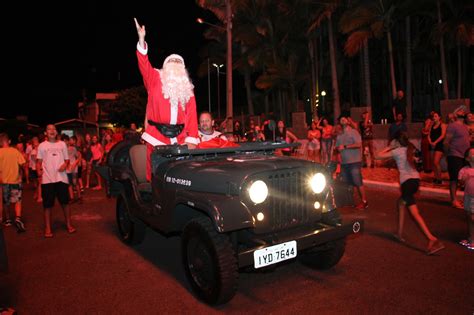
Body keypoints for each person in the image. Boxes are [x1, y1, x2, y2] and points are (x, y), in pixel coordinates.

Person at [134, 18, 199, 181]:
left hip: (181, 137)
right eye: (172, 61)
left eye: (179, 62)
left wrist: (192, 139)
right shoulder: (155, 77)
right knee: (156, 173)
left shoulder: (187, 88)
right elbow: (144, 64)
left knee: (180, 175)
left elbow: (192, 115)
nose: (175, 63)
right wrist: (142, 40)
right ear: (165, 66)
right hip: (157, 135)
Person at [375, 131, 445, 255]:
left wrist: (390, 146)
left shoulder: (397, 151)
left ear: (397, 141)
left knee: (415, 213)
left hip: (407, 184)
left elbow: (377, 156)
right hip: (415, 181)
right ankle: (399, 233)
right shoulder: (410, 148)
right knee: (401, 203)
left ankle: (431, 238)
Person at [36, 125, 76, 238]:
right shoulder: (42, 146)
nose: (52, 131)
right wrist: (39, 170)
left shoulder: (62, 144)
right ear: (45, 133)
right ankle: (48, 228)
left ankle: (69, 224)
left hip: (61, 178)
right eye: (49, 129)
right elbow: (39, 161)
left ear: (56, 132)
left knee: (65, 203)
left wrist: (65, 165)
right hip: (47, 179)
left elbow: (67, 160)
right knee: (47, 205)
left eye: (54, 129)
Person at [335, 115, 368, 209]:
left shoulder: (354, 132)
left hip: (354, 161)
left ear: (348, 121)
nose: (343, 120)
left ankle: (364, 201)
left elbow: (358, 144)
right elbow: (337, 148)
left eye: (344, 118)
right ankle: (350, 201)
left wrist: (345, 147)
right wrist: (338, 157)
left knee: (358, 182)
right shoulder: (339, 135)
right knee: (347, 183)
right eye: (341, 119)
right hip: (344, 162)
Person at [444, 106, 470, 209]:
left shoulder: (465, 127)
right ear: (455, 113)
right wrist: (448, 154)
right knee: (454, 179)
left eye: (464, 111)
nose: (462, 112)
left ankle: (465, 200)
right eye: (460, 110)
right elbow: (446, 142)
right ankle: (454, 200)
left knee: (465, 179)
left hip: (465, 157)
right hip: (454, 154)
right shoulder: (452, 125)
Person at [0, 133, 26, 232]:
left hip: (4, 181)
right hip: (15, 180)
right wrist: (21, 175)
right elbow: (23, 163)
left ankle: (8, 219)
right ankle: (18, 218)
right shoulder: (15, 151)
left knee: (6, 201)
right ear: (9, 141)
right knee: (17, 200)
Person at [458, 147, 474, 251]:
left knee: (473, 218)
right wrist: (464, 179)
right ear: (467, 158)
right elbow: (461, 183)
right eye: (473, 153)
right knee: (468, 217)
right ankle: (471, 238)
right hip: (468, 196)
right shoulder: (464, 170)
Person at [428, 111, 446, 184]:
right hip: (431, 145)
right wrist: (430, 142)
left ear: (439, 117)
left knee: (436, 162)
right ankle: (435, 177)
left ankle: (440, 178)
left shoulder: (442, 125)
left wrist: (435, 142)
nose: (434, 118)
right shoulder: (431, 126)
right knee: (433, 163)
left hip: (438, 145)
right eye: (433, 116)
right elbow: (428, 135)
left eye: (435, 116)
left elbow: (442, 135)